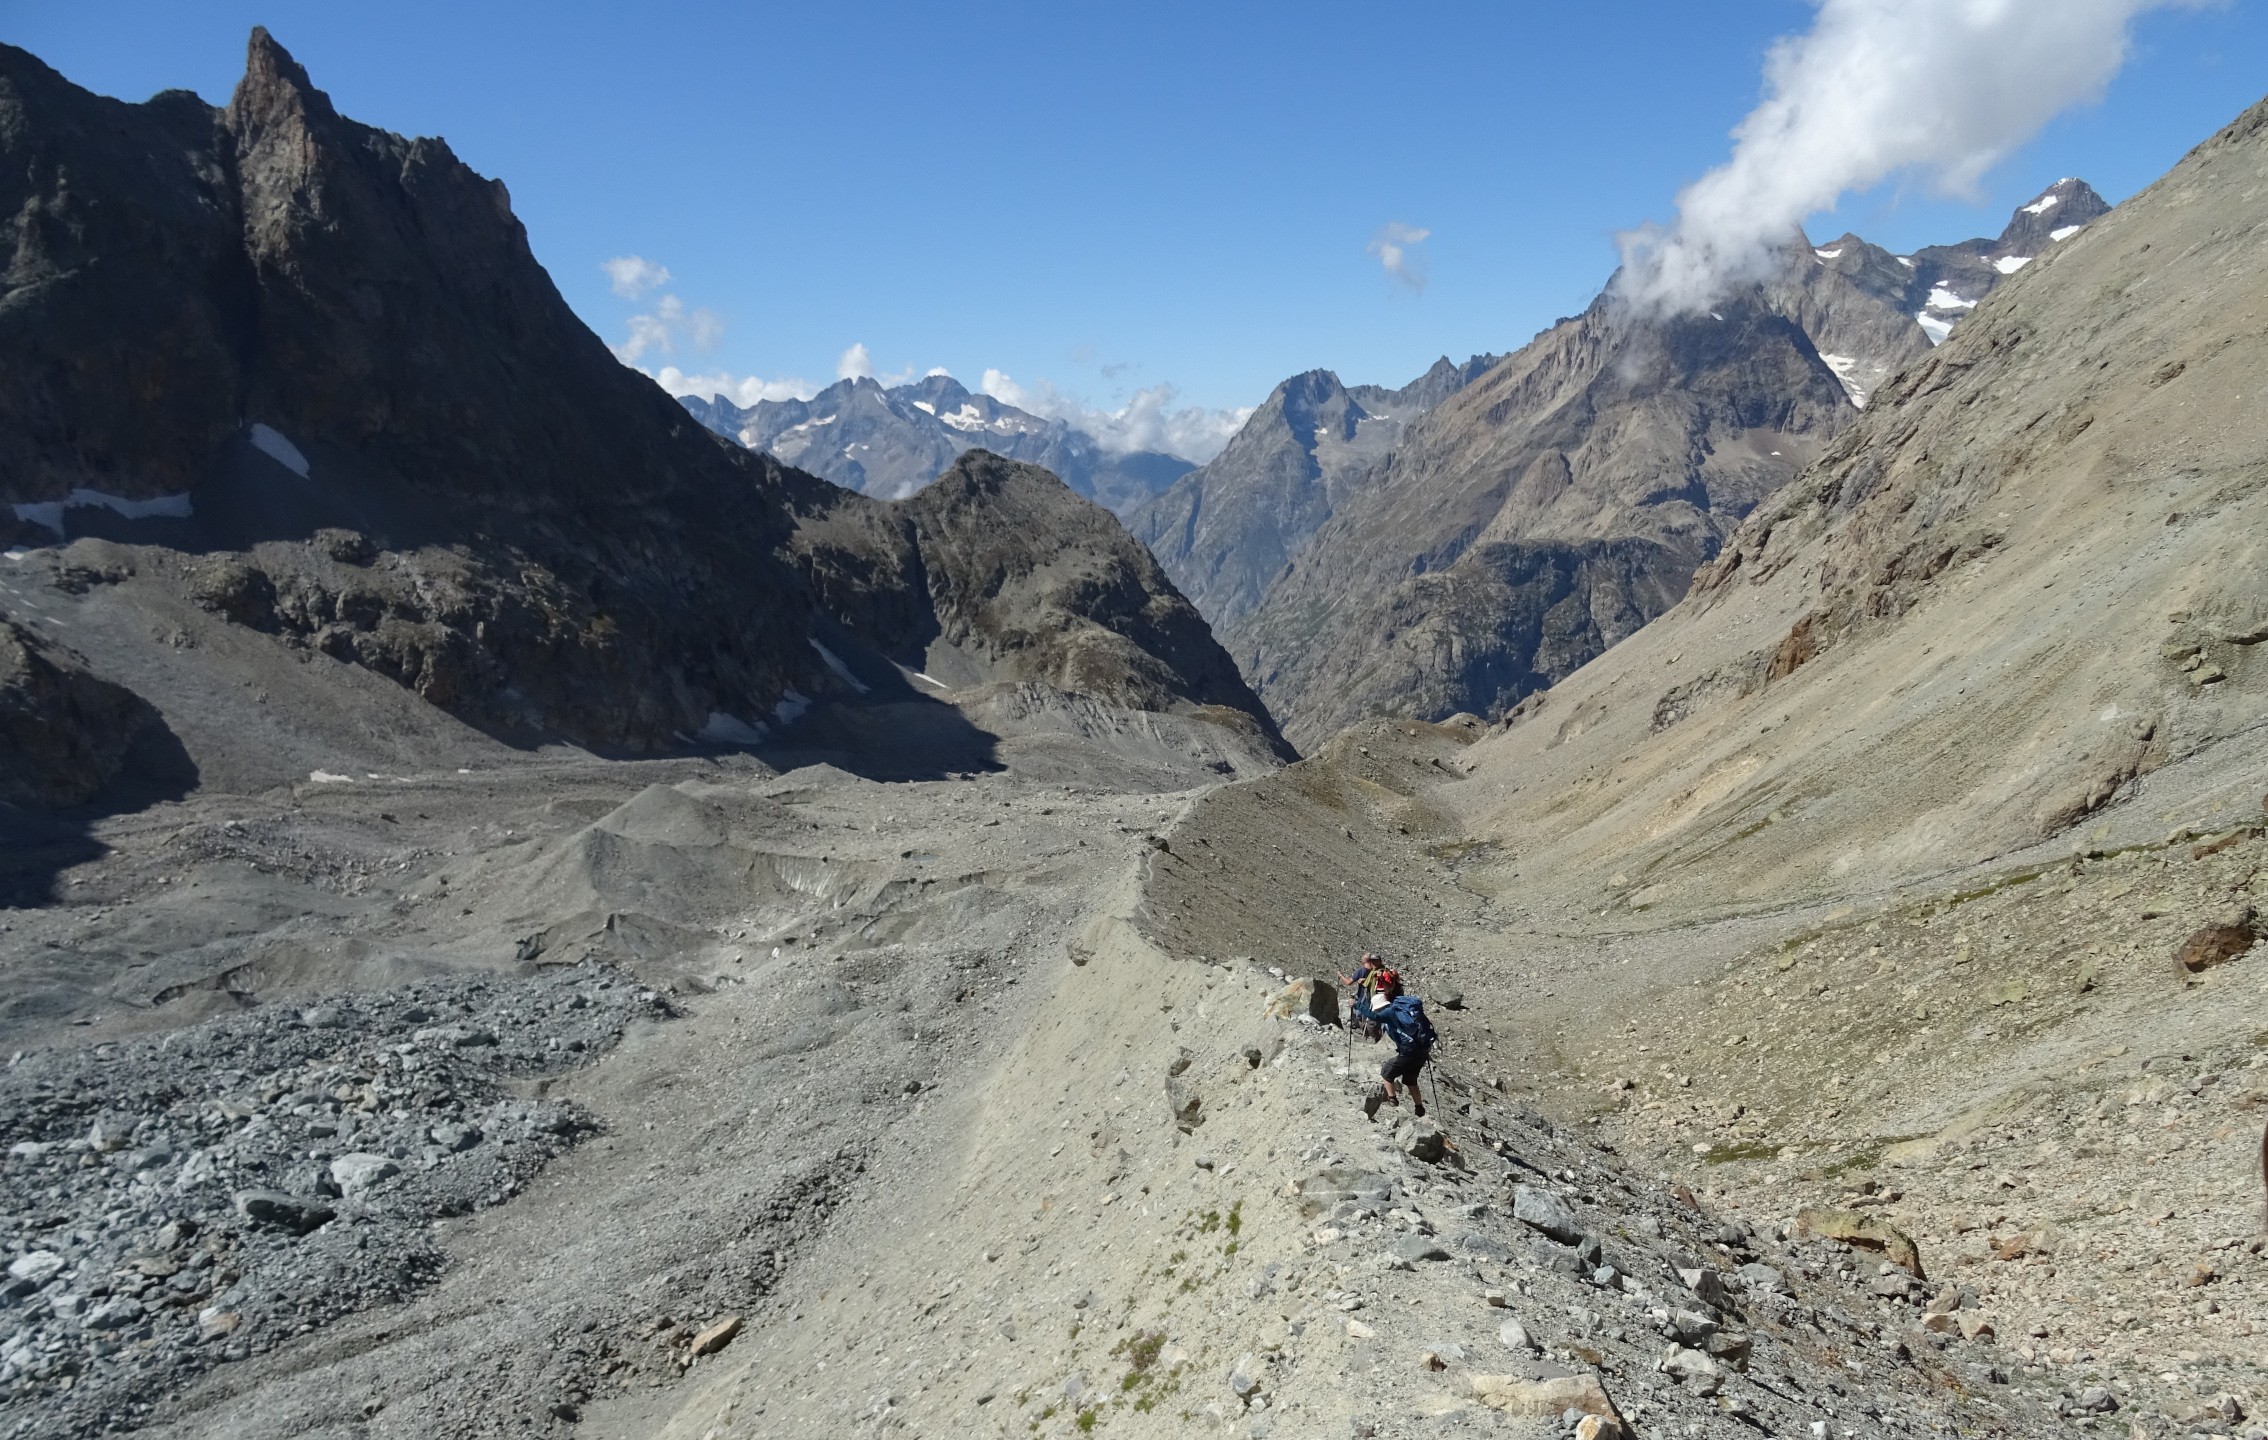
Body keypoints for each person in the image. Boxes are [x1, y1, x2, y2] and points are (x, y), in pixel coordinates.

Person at [1364, 973, 1436, 1118]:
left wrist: (1357, 1005)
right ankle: (1419, 1108)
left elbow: (1375, 1017)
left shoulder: (1389, 1013)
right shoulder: (1400, 1010)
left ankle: (1392, 1102)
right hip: (1421, 1050)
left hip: (1410, 1052)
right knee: (1410, 1080)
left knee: (1386, 1072)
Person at [1340, 952, 1386, 1040]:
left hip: (1368, 997)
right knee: (1372, 1017)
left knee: (1364, 1016)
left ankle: (1370, 1035)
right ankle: (1372, 1034)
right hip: (1374, 997)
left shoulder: (1363, 971)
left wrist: (1340, 976)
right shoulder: (1376, 970)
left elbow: (1348, 982)